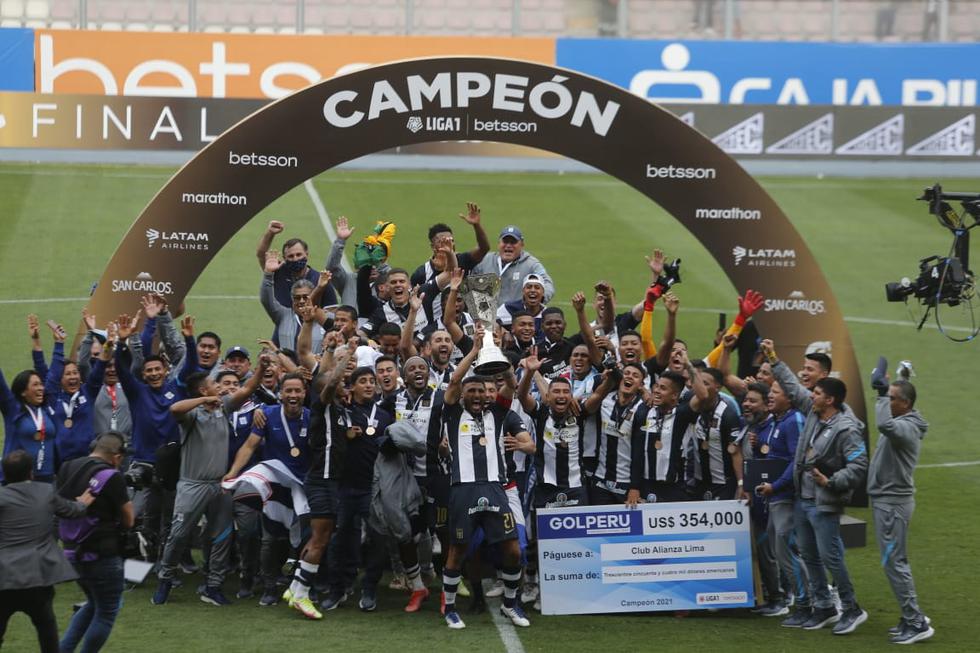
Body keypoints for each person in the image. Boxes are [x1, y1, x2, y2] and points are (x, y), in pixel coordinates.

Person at [761, 339, 869, 635]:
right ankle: (823, 607)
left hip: (824, 502)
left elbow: (859, 466)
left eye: (817, 392)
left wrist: (832, 482)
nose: (811, 394)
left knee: (831, 557)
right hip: (803, 499)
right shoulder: (813, 410)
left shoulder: (848, 428)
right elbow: (792, 388)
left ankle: (851, 608)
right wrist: (774, 357)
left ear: (829, 399)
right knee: (809, 556)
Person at [151, 358, 268, 607]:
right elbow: (174, 410)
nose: (219, 387)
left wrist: (262, 368)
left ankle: (213, 586)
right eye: (214, 384)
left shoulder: (224, 407)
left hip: (219, 484)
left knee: (222, 535)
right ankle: (165, 579)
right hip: (192, 485)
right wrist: (204, 401)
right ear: (204, 390)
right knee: (179, 534)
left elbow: (248, 390)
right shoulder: (192, 414)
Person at [439, 326, 534, 630]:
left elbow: (512, 385)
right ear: (464, 394)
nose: (478, 396)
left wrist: (497, 357)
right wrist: (474, 349)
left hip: (495, 489)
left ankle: (510, 604)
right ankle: (451, 609)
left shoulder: (498, 413)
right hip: (463, 490)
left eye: (482, 391)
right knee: (457, 550)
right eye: (473, 391)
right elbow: (454, 380)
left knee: (512, 549)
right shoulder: (453, 414)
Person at [0, 451, 93, 653]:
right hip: (38, 576)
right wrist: (84, 502)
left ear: (5, 475)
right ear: (31, 473)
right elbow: (73, 511)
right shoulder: (45, 492)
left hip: (4, 578)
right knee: (46, 629)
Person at [868, 371, 933, 644]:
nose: (885, 401)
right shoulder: (904, 418)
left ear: (904, 404)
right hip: (888, 501)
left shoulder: (903, 428)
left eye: (892, 399)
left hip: (892, 504)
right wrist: (898, 376)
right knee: (895, 562)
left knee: (895, 563)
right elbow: (888, 414)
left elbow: (883, 425)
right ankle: (909, 617)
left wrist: (883, 394)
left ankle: (916, 622)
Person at [57, 432, 135, 653]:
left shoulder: (67, 467)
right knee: (107, 610)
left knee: (93, 603)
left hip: (72, 552)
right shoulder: (112, 476)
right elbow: (129, 519)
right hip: (101, 553)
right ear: (116, 456)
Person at [753, 380, 808, 618]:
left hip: (785, 497)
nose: (770, 396)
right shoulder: (778, 421)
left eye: (776, 392)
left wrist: (775, 486)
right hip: (776, 497)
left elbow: (797, 461)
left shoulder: (793, 420)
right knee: (782, 552)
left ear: (790, 396)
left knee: (787, 553)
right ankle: (805, 602)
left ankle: (809, 603)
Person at [0, 365, 59, 484]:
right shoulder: (13, 409)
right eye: (35, 384)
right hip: (17, 480)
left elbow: (55, 374)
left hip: (47, 478)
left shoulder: (46, 411)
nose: (41, 388)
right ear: (23, 391)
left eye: (41, 384)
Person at [410, 203, 490, 287]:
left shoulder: (463, 260)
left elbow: (484, 248)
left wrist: (476, 225)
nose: (448, 245)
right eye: (442, 242)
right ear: (433, 246)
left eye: (451, 240)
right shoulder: (421, 274)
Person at [472, 226, 554, 305]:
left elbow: (547, 283)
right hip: (487, 316)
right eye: (505, 241)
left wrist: (540, 299)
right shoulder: (485, 260)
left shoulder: (531, 264)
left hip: (517, 316)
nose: (508, 245)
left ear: (522, 245)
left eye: (513, 242)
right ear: (499, 243)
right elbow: (469, 279)